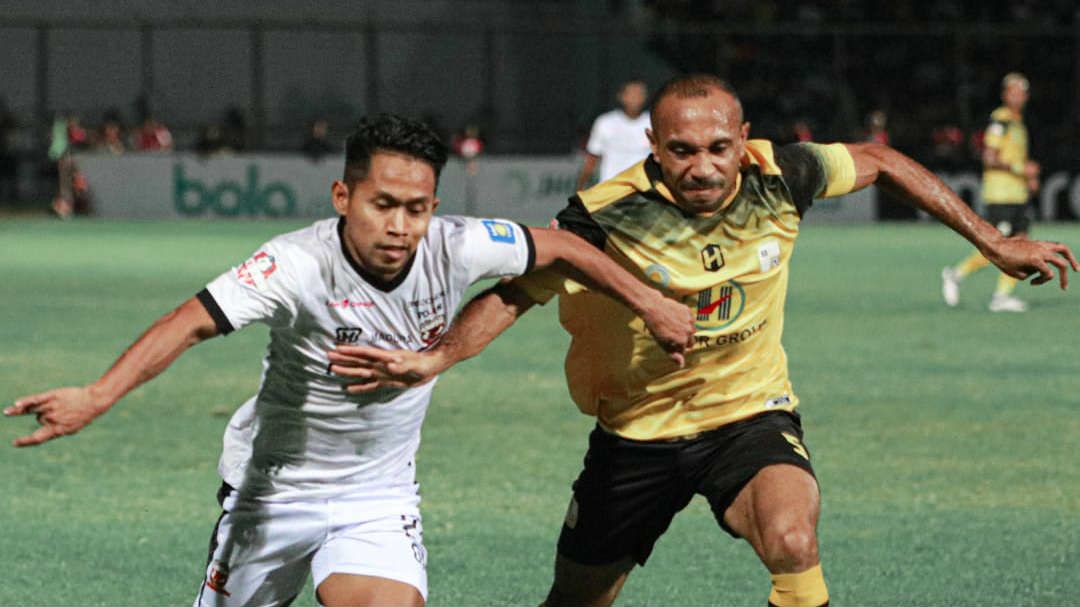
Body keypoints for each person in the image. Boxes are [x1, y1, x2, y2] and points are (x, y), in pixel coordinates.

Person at [327, 75, 1077, 607]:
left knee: (791, 536)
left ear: (743, 140)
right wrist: (437, 356)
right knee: (576, 596)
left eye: (719, 146)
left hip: (748, 415)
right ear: (654, 144)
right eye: (682, 150)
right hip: (637, 433)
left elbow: (880, 162)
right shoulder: (606, 214)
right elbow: (520, 290)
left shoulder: (782, 174)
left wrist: (994, 239)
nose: (703, 166)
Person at [4, 113, 693, 606]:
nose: (400, 226)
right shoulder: (295, 263)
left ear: (436, 207)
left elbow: (564, 246)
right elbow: (188, 322)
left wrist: (651, 305)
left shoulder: (457, 243)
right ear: (344, 197)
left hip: (376, 497)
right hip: (270, 489)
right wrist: (98, 394)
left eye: (416, 209)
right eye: (383, 205)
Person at [942, 72, 1041, 312]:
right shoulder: (1000, 120)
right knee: (999, 247)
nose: (1018, 97)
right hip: (1001, 195)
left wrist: (1028, 178)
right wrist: (1021, 169)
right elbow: (989, 157)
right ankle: (956, 274)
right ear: (1005, 94)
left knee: (1020, 245)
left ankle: (1002, 296)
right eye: (1013, 91)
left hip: (1016, 194)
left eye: (1022, 92)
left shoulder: (1018, 122)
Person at [576, 78, 651, 190]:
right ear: (621, 96)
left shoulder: (654, 122)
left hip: (643, 192)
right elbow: (592, 158)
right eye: (632, 94)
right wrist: (580, 187)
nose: (636, 98)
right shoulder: (605, 122)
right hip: (611, 191)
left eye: (640, 94)